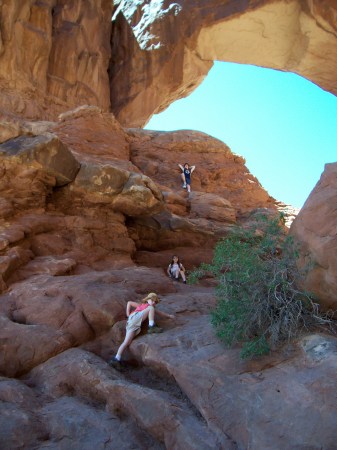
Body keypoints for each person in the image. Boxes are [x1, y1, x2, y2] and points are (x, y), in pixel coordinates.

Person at [108, 292, 174, 368]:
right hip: (134, 318)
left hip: (131, 324)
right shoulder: (144, 305)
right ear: (147, 300)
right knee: (151, 308)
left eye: (155, 302)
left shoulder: (150, 307)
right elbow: (129, 303)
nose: (153, 302)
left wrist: (169, 316)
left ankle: (116, 359)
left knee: (126, 342)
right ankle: (151, 326)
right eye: (152, 300)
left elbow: (159, 313)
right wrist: (128, 314)